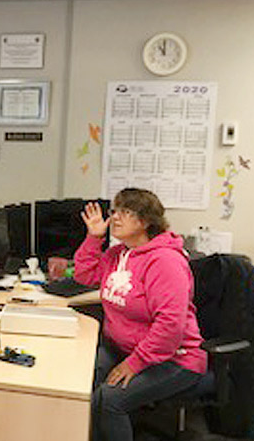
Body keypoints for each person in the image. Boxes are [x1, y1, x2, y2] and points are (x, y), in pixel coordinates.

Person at [74, 188, 207, 441]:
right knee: (81, 381)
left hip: (174, 359)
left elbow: (170, 326)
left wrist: (134, 363)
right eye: (114, 211)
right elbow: (84, 275)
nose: (115, 217)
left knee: (110, 399)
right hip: (123, 348)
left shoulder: (165, 261)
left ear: (146, 221)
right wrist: (94, 238)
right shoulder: (118, 254)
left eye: (125, 212)